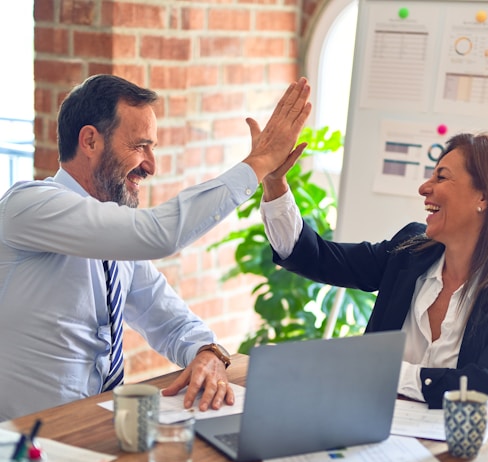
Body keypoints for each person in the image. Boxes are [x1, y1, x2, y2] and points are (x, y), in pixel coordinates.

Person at [0, 74, 311, 421]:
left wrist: (207, 352)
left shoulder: (114, 240)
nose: (151, 165)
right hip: (22, 446)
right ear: (90, 141)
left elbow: (169, 320)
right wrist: (259, 163)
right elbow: (158, 234)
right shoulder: (28, 206)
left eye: (153, 148)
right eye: (139, 146)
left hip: (93, 432)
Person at [259, 132, 488, 417]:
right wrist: (274, 183)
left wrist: (383, 371)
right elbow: (315, 257)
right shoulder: (410, 253)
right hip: (375, 430)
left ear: (484, 197)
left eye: (441, 177)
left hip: (470, 454)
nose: (424, 188)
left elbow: (484, 390)